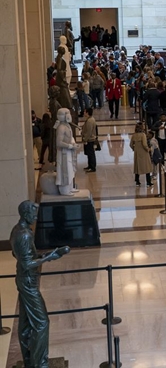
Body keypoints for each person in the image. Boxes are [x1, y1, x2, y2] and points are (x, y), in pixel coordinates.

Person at [10, 201, 69, 368]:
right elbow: (27, 263)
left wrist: (48, 254)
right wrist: (52, 256)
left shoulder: (17, 230)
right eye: (33, 214)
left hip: (24, 279)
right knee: (42, 323)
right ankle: (40, 363)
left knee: (26, 323)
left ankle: (30, 361)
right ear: (25, 214)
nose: (35, 218)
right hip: (28, 282)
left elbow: (18, 254)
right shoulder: (24, 235)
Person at [130, 122, 153, 187]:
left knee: (137, 167)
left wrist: (134, 149)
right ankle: (148, 182)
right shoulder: (143, 135)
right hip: (144, 153)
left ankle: (137, 181)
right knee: (147, 167)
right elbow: (144, 144)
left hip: (137, 152)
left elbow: (131, 144)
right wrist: (148, 149)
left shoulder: (134, 135)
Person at [82, 108, 98, 172]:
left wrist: (85, 139)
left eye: (85, 111)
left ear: (87, 113)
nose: (84, 113)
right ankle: (90, 165)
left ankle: (92, 167)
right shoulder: (90, 119)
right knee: (89, 154)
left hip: (90, 140)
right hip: (90, 139)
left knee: (91, 154)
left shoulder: (89, 121)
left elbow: (89, 132)